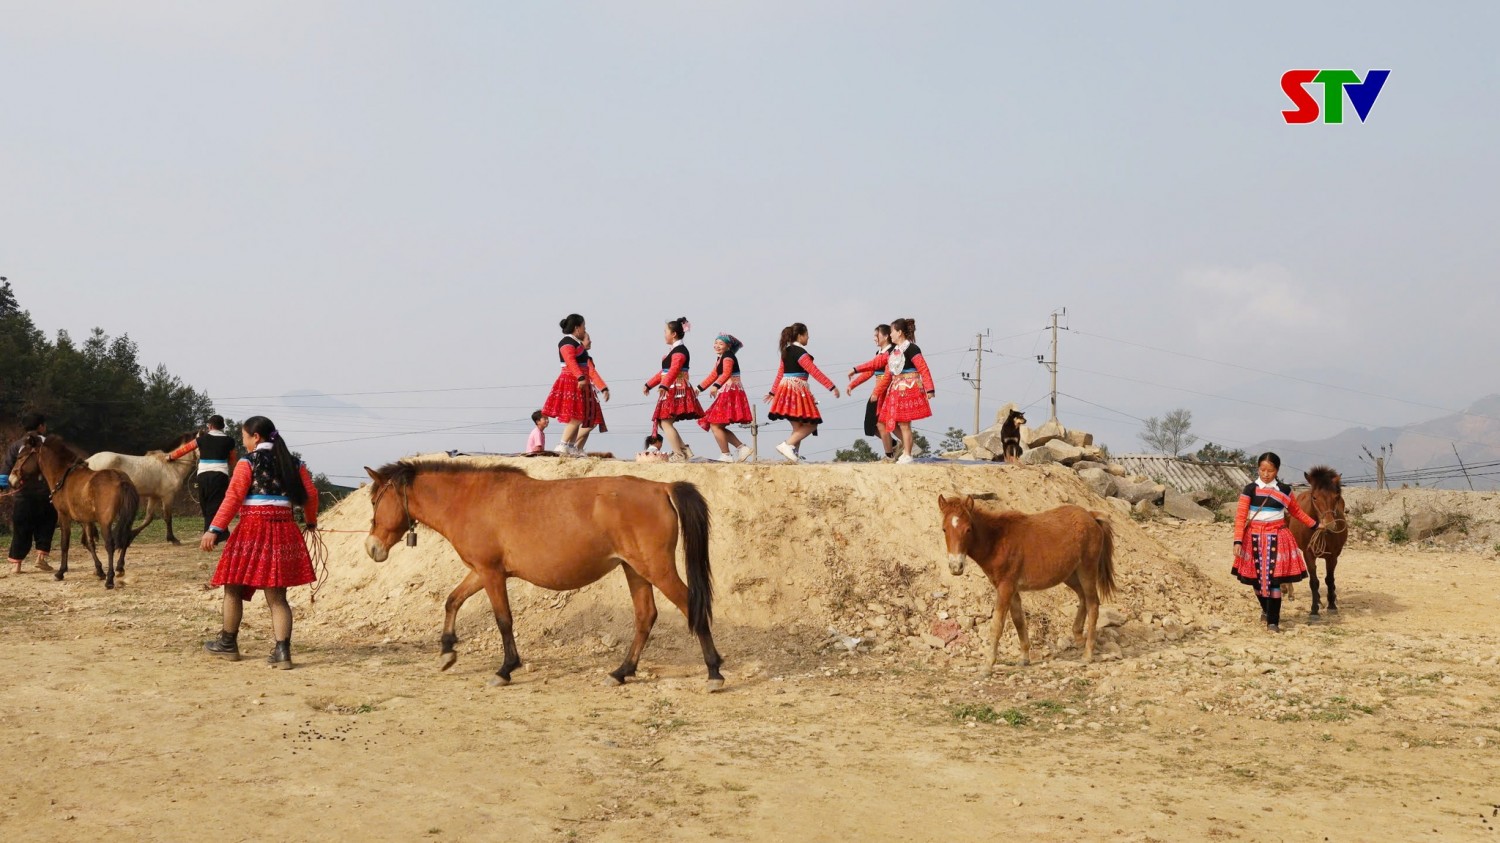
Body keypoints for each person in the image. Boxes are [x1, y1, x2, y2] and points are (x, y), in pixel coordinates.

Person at [198, 416, 319, 668]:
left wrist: (214, 529)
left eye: (244, 437)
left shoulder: (248, 462)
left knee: (232, 587)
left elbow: (232, 498)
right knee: (277, 596)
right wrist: (310, 523)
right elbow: (311, 495)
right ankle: (282, 652)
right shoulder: (294, 463)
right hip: (284, 529)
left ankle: (228, 643)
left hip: (252, 529)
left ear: (256, 437)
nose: (243, 443)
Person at [1231, 451, 1316, 633]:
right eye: (1262, 470)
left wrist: (1315, 525)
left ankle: (1273, 622)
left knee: (1274, 581)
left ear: (1276, 470)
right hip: (1253, 539)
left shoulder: (1284, 490)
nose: (1265, 474)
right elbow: (1240, 517)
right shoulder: (1250, 489)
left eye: (1269, 470)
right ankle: (1266, 608)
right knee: (1256, 580)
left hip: (1277, 538)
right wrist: (1237, 541)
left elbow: (1296, 512)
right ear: (1258, 469)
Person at [764, 322, 840, 462]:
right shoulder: (801, 353)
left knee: (798, 426)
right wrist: (831, 386)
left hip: (784, 389)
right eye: (807, 335)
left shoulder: (786, 351)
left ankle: (793, 455)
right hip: (796, 390)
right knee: (812, 424)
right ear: (800, 336)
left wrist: (773, 392)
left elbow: (780, 373)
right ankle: (786, 446)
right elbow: (814, 371)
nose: (808, 338)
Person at [542, 314, 609, 457]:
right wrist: (580, 377)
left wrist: (602, 387)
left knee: (578, 416)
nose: (585, 330)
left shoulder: (577, 344)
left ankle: (570, 446)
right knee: (576, 417)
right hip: (572, 381)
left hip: (578, 382)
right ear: (577, 328)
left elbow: (590, 370)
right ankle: (562, 445)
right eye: (584, 327)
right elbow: (570, 361)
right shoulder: (566, 342)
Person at [1, 412, 57, 574]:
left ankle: (16, 565)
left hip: (23, 494)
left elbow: (6, 468)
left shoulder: (16, 445)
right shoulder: (50, 444)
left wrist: (2, 487)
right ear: (41, 426)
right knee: (46, 523)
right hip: (46, 493)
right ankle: (41, 558)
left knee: (21, 527)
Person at [642, 317, 702, 462]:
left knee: (665, 423)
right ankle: (683, 450)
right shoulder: (675, 351)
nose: (664, 335)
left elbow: (674, 370)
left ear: (673, 334)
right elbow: (664, 372)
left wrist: (664, 385)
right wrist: (649, 384)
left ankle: (680, 454)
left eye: (665, 331)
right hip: (672, 387)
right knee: (665, 423)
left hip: (676, 389)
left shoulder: (679, 351)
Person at [168, 414, 239, 532]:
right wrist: (234, 474)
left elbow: (185, 449)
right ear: (222, 427)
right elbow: (232, 459)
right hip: (220, 476)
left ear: (210, 426)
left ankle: (211, 531)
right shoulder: (229, 441)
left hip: (203, 476)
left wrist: (171, 457)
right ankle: (218, 531)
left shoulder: (201, 440)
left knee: (205, 503)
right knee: (216, 503)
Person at [878, 317, 935, 464]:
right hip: (896, 389)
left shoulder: (912, 349)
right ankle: (906, 451)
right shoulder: (894, 352)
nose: (890, 335)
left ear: (900, 332)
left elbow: (923, 368)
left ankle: (908, 453)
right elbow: (888, 374)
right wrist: (877, 392)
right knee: (889, 421)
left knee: (904, 423)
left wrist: (929, 388)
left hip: (909, 388)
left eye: (892, 332)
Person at [697, 333, 754, 463]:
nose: (717, 345)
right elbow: (713, 374)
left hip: (730, 391)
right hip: (728, 391)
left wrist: (716, 385)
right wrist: (699, 388)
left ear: (728, 346)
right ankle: (740, 448)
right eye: (716, 342)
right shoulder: (721, 357)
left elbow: (726, 373)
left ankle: (727, 454)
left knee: (715, 424)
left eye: (720, 343)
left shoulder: (728, 356)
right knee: (717, 425)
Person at [848, 323, 897, 461]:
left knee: (884, 424)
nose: (874, 339)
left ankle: (891, 455)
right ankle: (894, 445)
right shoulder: (879, 353)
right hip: (877, 392)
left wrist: (877, 391)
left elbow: (887, 376)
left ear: (886, 336)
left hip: (885, 392)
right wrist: (853, 384)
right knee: (870, 425)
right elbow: (871, 371)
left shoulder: (891, 352)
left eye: (877, 335)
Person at [571, 331, 609, 453]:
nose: (590, 341)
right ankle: (570, 444)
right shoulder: (584, 358)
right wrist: (603, 388)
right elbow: (592, 373)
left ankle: (579, 448)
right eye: (588, 339)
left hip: (588, 391)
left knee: (589, 421)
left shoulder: (585, 357)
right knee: (592, 421)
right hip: (585, 392)